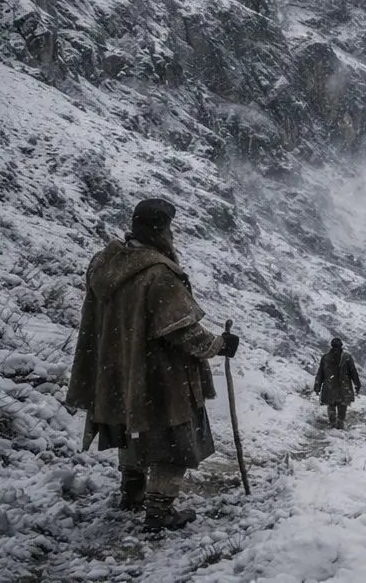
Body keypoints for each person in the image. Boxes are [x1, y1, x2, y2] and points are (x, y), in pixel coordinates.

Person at [66, 198, 239, 530]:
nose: (172, 235)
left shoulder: (105, 263)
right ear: (160, 230)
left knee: (134, 427)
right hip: (159, 374)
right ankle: (159, 511)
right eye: (170, 228)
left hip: (117, 369)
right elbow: (183, 331)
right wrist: (219, 345)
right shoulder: (157, 274)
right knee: (171, 444)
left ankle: (132, 491)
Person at [313, 337, 361, 429]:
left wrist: (317, 386)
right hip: (343, 385)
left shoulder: (325, 357)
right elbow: (353, 372)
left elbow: (320, 373)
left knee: (331, 404)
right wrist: (357, 384)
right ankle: (340, 422)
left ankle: (333, 422)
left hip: (330, 385)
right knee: (342, 404)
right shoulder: (346, 357)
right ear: (341, 346)